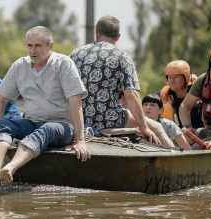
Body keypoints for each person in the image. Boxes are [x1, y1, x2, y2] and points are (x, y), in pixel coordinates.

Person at [0, 26, 90, 185]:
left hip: (62, 125)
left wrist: (80, 140)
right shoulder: (20, 65)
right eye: (30, 45)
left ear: (49, 46)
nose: (33, 50)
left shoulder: (63, 64)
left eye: (38, 46)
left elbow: (76, 102)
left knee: (47, 129)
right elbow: (0, 99)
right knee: (2, 125)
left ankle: (10, 168)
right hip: (32, 121)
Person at [70, 15, 165, 145]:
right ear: (118, 37)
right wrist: (144, 128)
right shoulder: (122, 57)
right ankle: (177, 158)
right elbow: (131, 95)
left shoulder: (76, 54)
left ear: (96, 33)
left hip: (78, 119)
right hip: (111, 120)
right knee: (157, 127)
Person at [160, 60, 203, 128]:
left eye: (176, 77)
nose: (172, 80)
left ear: (186, 78)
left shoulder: (198, 93)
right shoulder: (166, 94)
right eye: (169, 77)